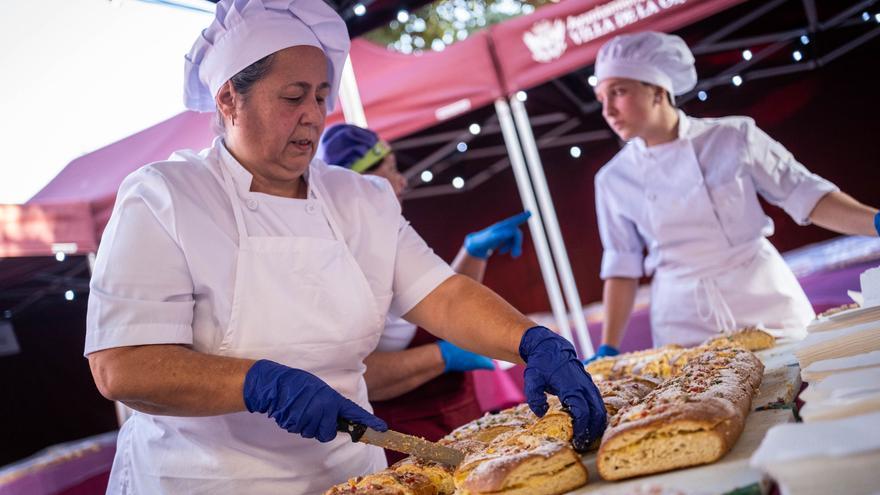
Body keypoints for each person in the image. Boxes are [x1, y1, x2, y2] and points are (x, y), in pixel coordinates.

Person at [83, 2, 606, 494]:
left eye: (320, 96)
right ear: (228, 98)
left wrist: (532, 340)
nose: (313, 114)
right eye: (293, 97)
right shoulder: (165, 196)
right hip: (208, 481)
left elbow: (442, 295)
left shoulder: (361, 198)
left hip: (353, 476)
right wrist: (260, 383)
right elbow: (122, 366)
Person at [587, 31, 880, 358]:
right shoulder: (613, 179)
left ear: (657, 90)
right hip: (682, 319)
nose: (609, 110)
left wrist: (876, 223)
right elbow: (621, 266)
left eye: (619, 92)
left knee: (812, 383)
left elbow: (807, 195)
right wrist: (608, 346)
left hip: (763, 297)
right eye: (601, 98)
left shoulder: (733, 136)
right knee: (706, 405)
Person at [318, 123, 531, 463]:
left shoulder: (390, 235)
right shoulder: (333, 263)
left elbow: (441, 304)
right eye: (390, 171)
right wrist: (442, 356)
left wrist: (472, 254)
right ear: (357, 183)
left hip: (457, 413)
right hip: (401, 432)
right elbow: (350, 375)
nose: (402, 182)